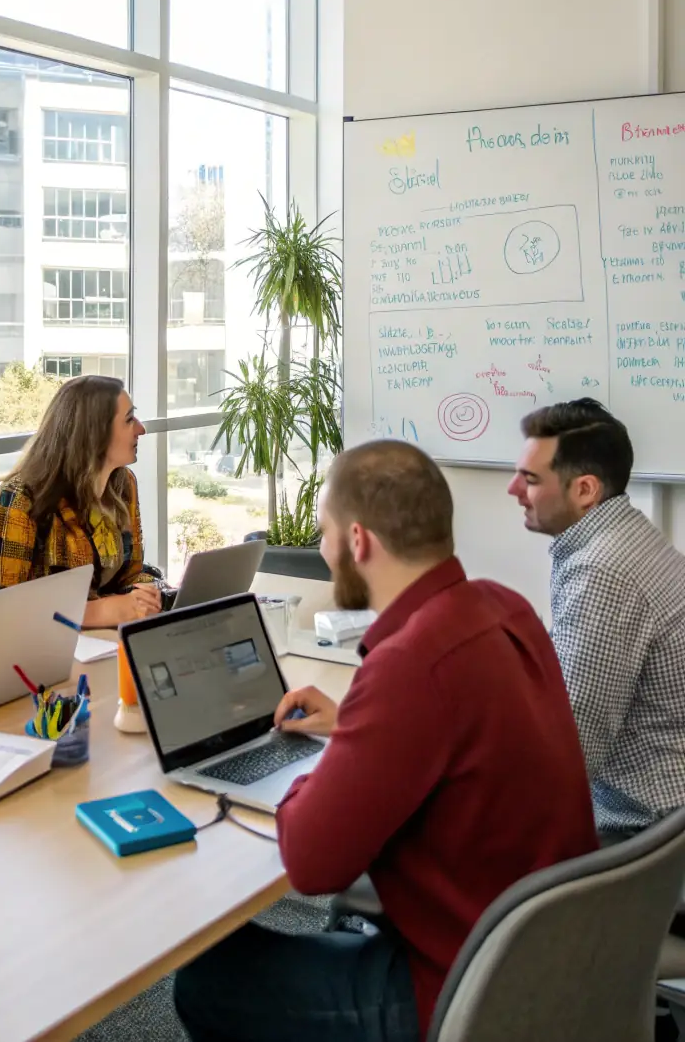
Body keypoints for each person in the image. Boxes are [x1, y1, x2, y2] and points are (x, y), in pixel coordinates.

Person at [174, 440, 596, 1042]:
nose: (322, 549)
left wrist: (311, 767)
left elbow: (313, 863)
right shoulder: (504, 607)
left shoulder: (411, 663)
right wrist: (358, 728)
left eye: (324, 533)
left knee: (207, 979)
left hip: (464, 993)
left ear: (359, 541)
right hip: (545, 956)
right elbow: (455, 735)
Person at [508, 398, 685, 834]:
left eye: (529, 479)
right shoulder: (627, 533)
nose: (512, 490)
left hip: (633, 830)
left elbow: (565, 759)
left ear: (585, 490)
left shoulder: (602, 573)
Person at [0, 375, 161, 627]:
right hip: (44, 652)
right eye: (129, 420)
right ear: (94, 433)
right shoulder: (21, 497)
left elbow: (130, 576)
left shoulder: (123, 484)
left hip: (105, 642)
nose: (141, 429)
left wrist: (155, 594)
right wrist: (101, 611)